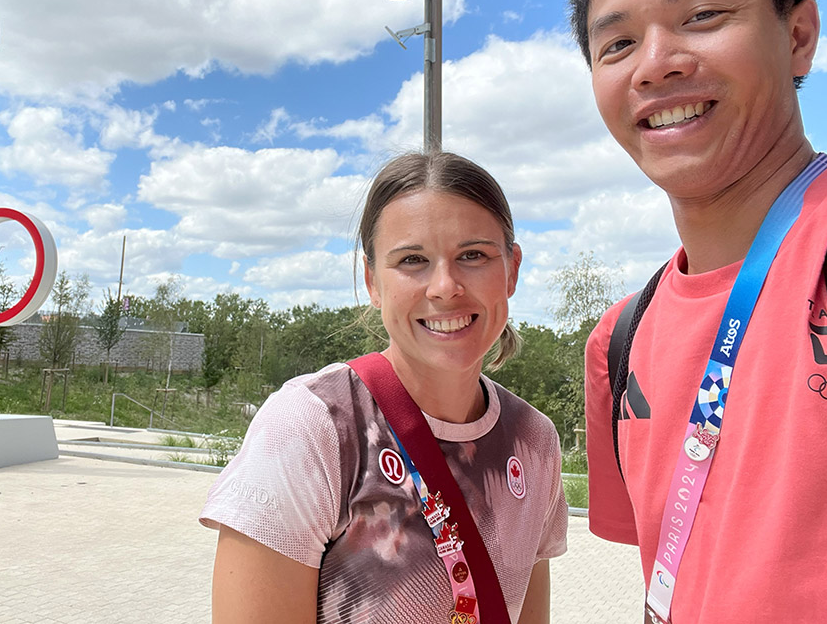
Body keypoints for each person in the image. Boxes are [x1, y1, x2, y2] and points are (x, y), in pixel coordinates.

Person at [571, 0, 827, 622]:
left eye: (702, 16)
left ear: (799, 35)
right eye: (617, 43)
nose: (654, 65)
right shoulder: (620, 340)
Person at [200, 151, 567, 624]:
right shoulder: (317, 425)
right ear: (373, 281)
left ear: (512, 269)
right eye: (412, 260)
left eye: (472, 255)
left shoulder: (534, 441)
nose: (444, 286)